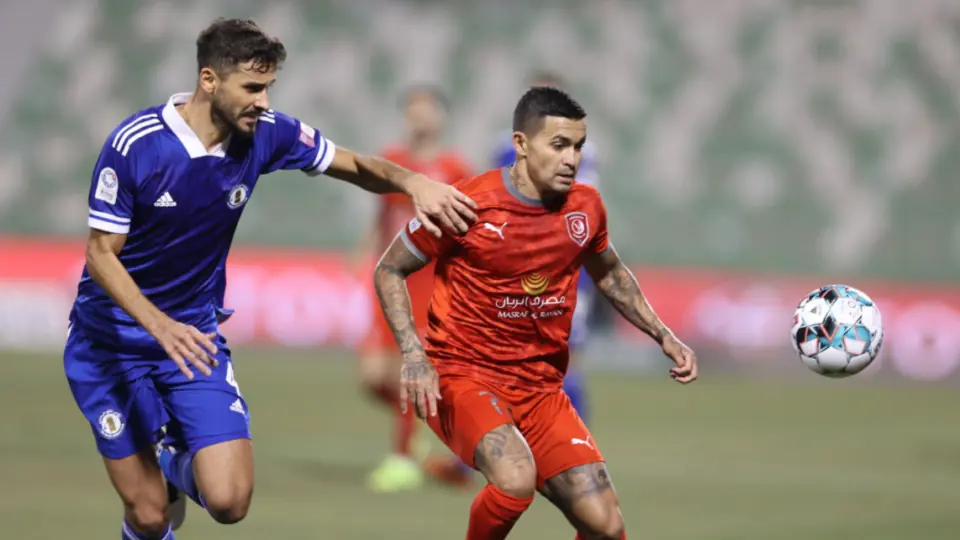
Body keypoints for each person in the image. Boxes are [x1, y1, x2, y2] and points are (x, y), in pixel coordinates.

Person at [64, 18, 477, 540]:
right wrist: (158, 326)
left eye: (268, 87)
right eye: (252, 88)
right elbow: (100, 255)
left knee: (230, 501)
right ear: (209, 80)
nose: (263, 101)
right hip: (111, 343)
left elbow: (351, 163)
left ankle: (168, 458)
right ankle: (159, 478)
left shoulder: (266, 133)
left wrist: (414, 182)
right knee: (148, 515)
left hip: (193, 339)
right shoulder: (138, 145)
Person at [373, 86, 698, 540]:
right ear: (521, 144)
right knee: (514, 481)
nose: (571, 159)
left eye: (578, 146)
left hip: (541, 388)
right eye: (559, 145)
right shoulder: (466, 204)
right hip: (464, 376)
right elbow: (389, 268)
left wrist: (663, 334)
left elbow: (609, 273)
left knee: (606, 525)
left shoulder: (585, 207)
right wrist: (413, 354)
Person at [353, 85, 472, 493]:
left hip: (429, 283)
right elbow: (383, 213)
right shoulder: (394, 161)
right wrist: (365, 250)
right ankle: (422, 423)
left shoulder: (456, 168)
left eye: (426, 109)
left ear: (441, 117)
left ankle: (402, 459)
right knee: (372, 376)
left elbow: (468, 226)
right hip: (390, 278)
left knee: (409, 369)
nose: (419, 116)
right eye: (412, 109)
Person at [492, 71, 597, 424]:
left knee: (565, 356)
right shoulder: (506, 146)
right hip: (516, 263)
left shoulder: (581, 149)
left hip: (566, 264)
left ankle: (574, 438)